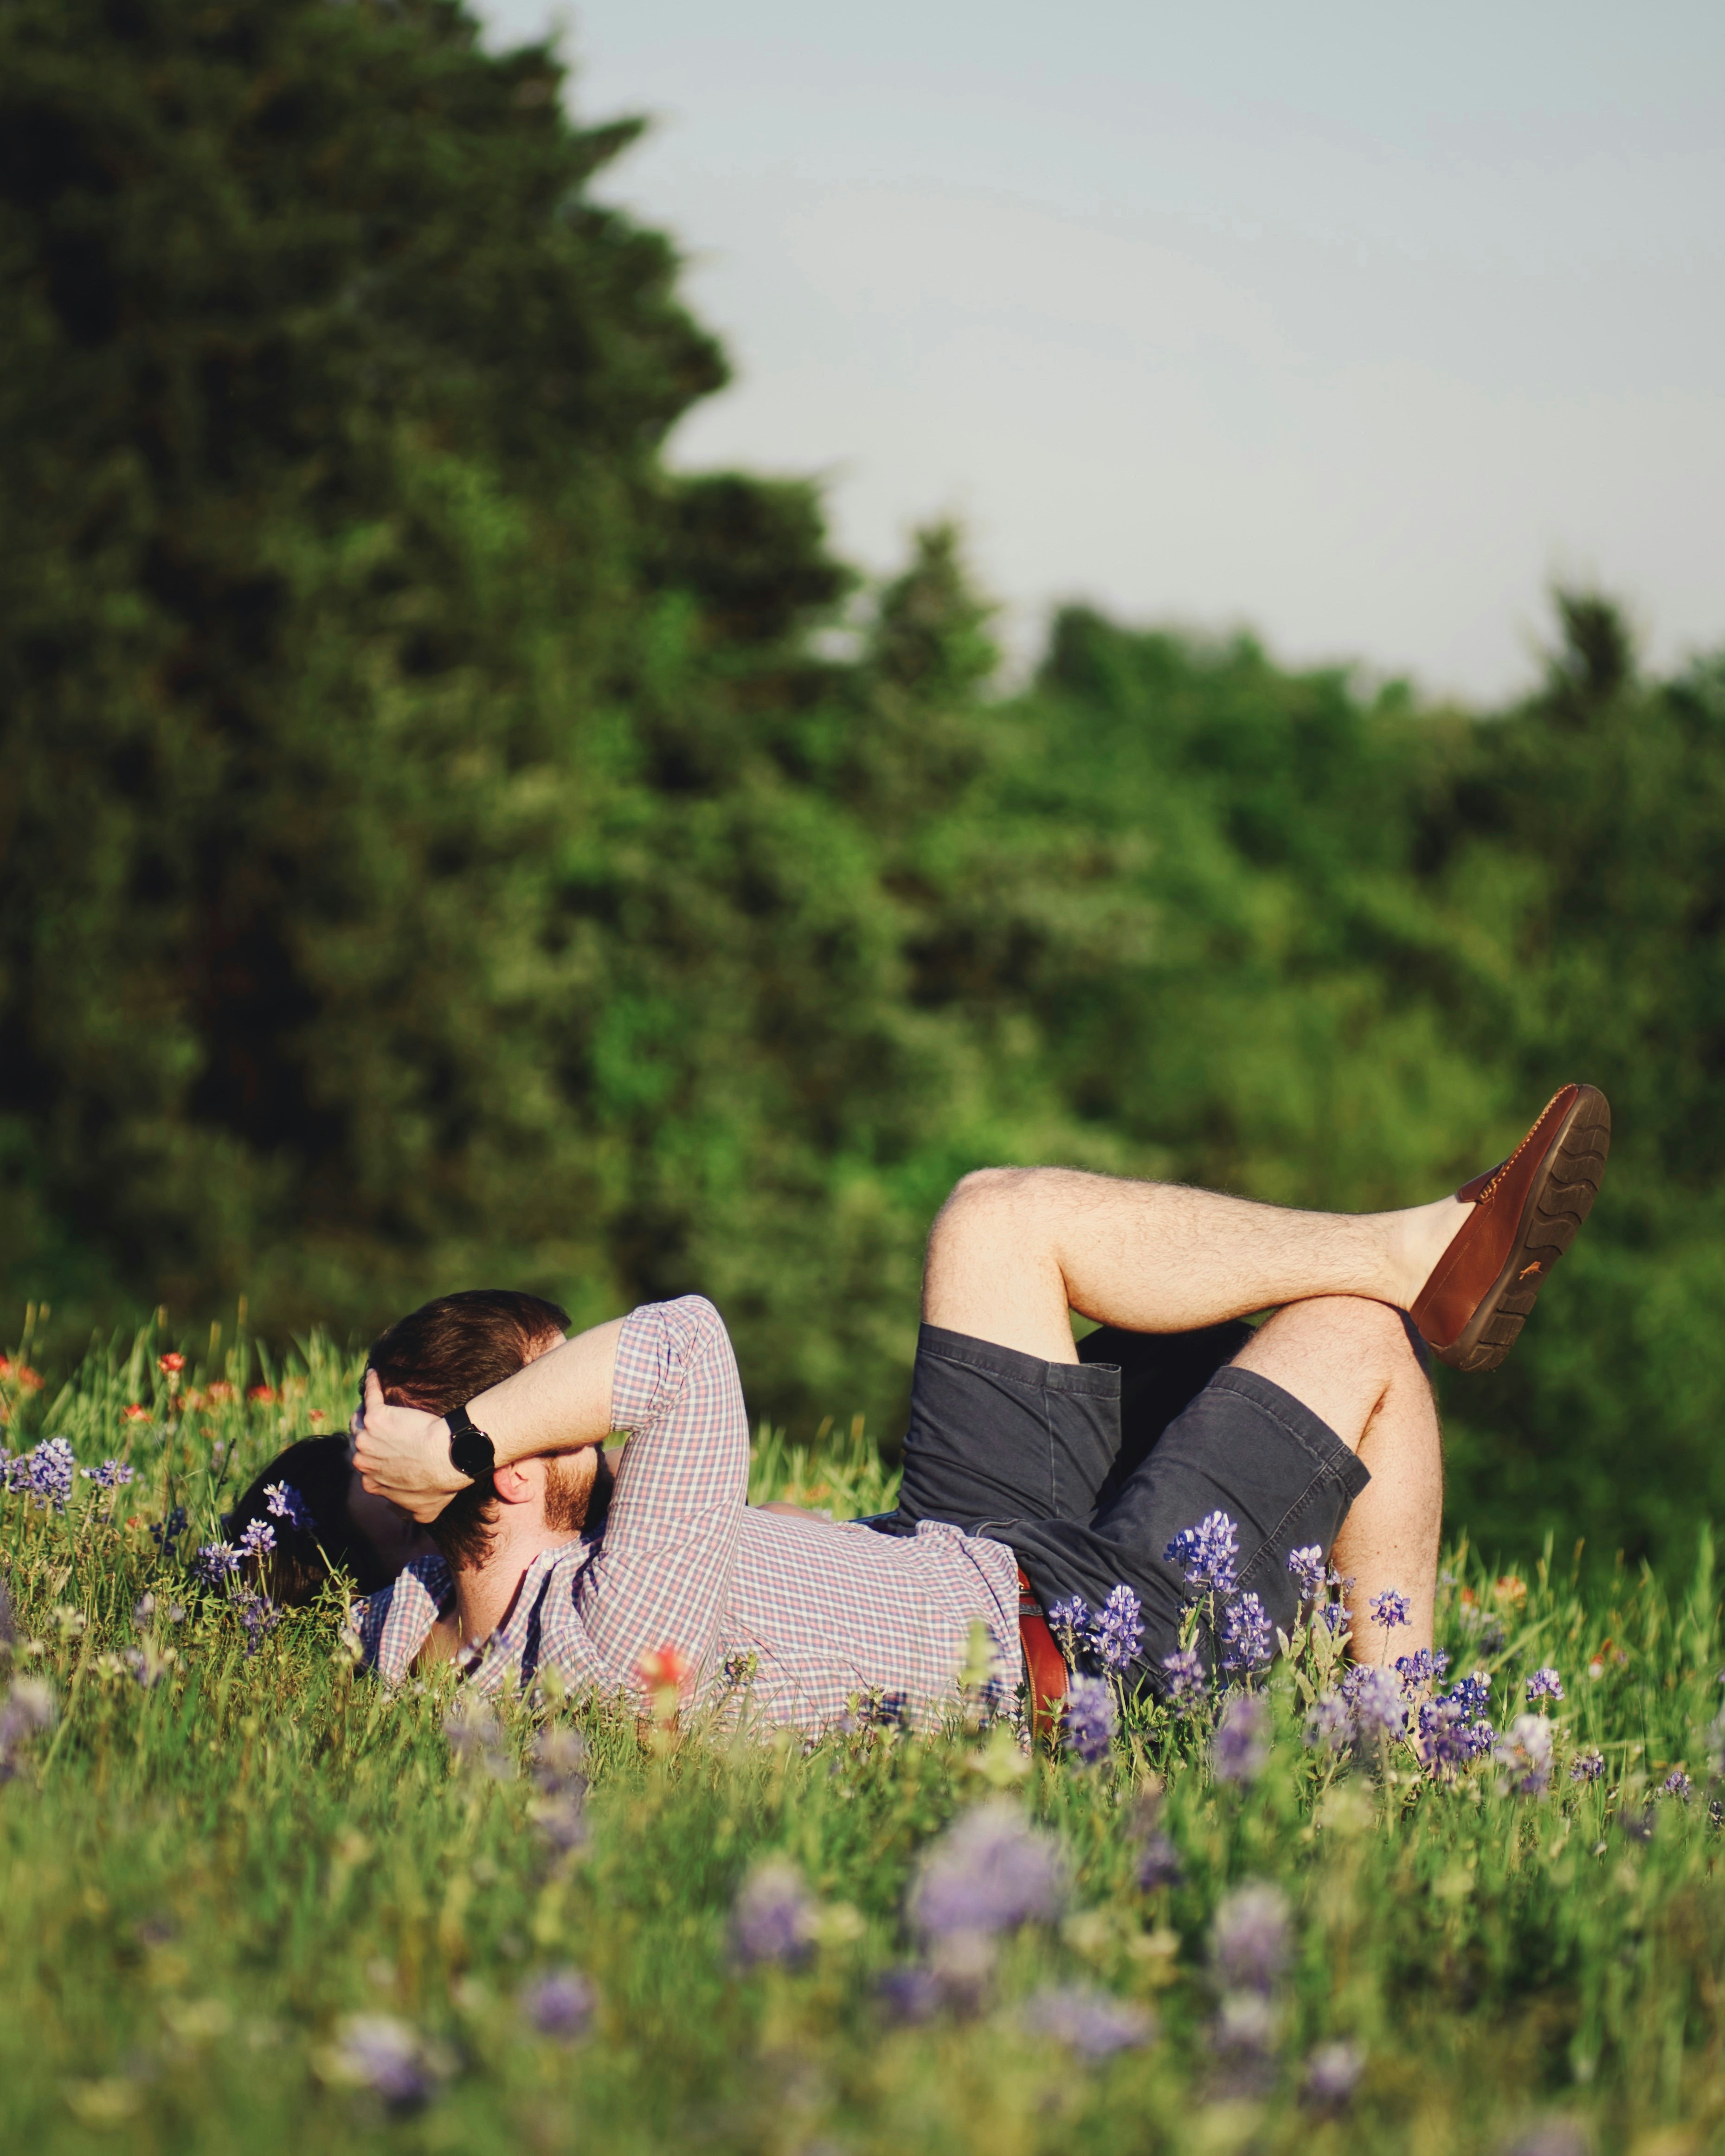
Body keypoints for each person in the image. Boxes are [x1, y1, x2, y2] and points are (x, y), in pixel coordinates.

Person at [350, 1084, 1611, 1735]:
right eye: (552, 1400)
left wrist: (380, 1465)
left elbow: (322, 1519)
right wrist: (458, 1439)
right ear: (511, 1471)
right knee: (1354, 1341)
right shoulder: (616, 1619)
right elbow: (686, 1348)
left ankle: (1419, 1246)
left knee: (993, 1215)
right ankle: (1409, 1748)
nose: (595, 1411)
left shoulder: (426, 1621)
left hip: (958, 1546)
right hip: (1086, 1641)